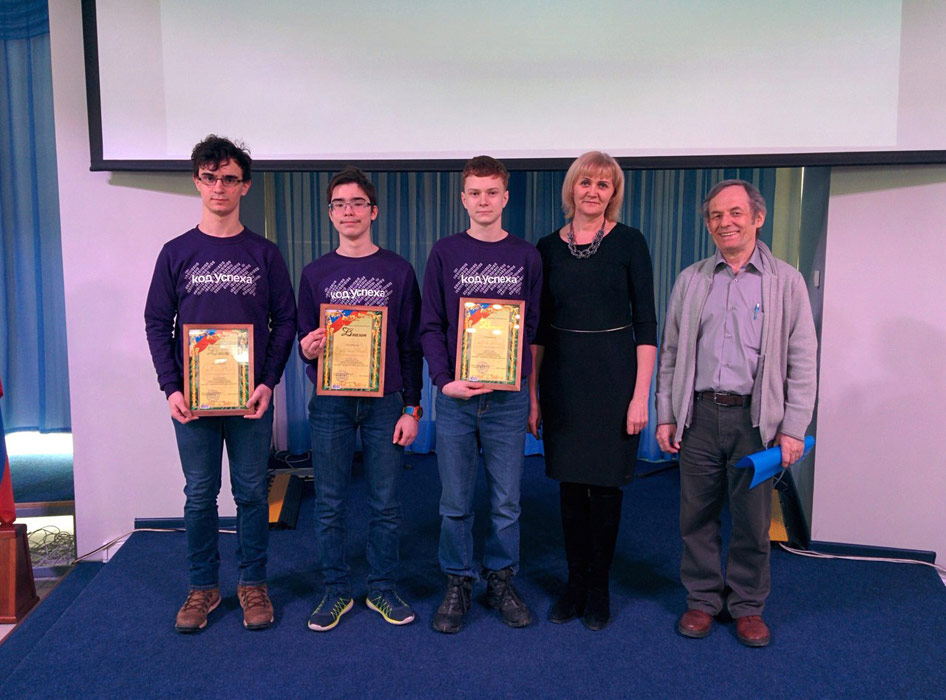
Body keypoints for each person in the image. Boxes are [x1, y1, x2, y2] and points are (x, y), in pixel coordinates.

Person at [655, 179, 817, 647]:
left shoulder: (786, 281)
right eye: (715, 216)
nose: (724, 222)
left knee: (751, 521)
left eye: (735, 213)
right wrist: (666, 414)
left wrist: (793, 428)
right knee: (696, 516)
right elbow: (671, 353)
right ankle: (703, 600)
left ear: (757, 218)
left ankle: (747, 605)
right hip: (700, 416)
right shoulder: (690, 280)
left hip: (756, 422)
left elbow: (802, 359)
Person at [145, 135, 296, 633]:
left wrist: (269, 382)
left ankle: (253, 583)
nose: (219, 187)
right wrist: (171, 387)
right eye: (210, 178)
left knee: (251, 493)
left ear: (245, 186)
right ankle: (203, 588)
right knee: (199, 495)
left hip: (251, 400)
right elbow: (157, 322)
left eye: (229, 179)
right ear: (197, 181)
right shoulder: (176, 252)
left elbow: (285, 321)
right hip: (193, 401)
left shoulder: (264, 253)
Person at [531, 151, 658, 631]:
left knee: (605, 489)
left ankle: (599, 586)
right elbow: (539, 330)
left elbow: (646, 323)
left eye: (603, 185)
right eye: (585, 182)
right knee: (569, 486)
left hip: (614, 380)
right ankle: (575, 583)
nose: (593, 191)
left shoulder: (630, 242)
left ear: (613, 194)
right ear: (572, 189)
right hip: (562, 378)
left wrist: (640, 396)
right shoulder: (547, 247)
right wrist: (533, 395)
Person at [297, 166, 423, 631]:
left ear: (373, 211)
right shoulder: (314, 273)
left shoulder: (398, 270)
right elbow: (304, 341)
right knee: (329, 502)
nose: (348, 211)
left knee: (385, 503)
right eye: (339, 204)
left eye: (357, 203)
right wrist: (307, 351)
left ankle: (382, 588)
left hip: (385, 402)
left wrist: (412, 407)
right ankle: (336, 591)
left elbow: (411, 344)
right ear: (330, 214)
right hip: (330, 402)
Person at [420, 155, 542, 634]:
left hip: (507, 400)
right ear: (464, 199)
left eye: (492, 192)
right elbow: (431, 324)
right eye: (475, 192)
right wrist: (442, 379)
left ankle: (500, 579)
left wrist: (521, 380)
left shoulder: (527, 256)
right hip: (456, 398)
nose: (483, 200)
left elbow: (532, 327)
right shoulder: (445, 252)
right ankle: (457, 580)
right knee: (454, 500)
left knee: (507, 501)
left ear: (505, 197)